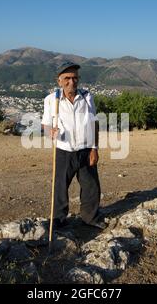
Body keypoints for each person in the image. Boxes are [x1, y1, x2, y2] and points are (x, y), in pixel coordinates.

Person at [41, 62, 107, 230]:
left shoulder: (87, 97)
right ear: (59, 81)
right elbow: (46, 124)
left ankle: (90, 217)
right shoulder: (51, 100)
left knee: (91, 186)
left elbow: (94, 123)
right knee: (60, 186)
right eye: (67, 78)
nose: (72, 82)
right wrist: (51, 131)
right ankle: (58, 219)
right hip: (63, 151)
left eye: (75, 78)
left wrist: (95, 148)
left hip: (85, 149)